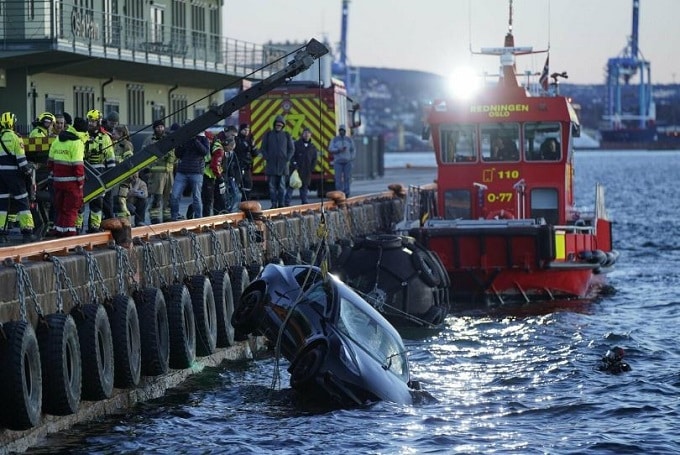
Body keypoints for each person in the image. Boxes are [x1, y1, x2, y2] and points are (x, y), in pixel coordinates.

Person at [47, 117, 88, 237]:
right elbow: (78, 165)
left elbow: (50, 161)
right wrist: (80, 182)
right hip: (72, 183)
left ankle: (59, 229)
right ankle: (69, 233)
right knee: (71, 208)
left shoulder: (58, 139)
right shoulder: (77, 142)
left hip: (58, 181)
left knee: (60, 206)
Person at [0, 112, 36, 242]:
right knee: (22, 201)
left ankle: (1, 233)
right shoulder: (16, 138)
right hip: (14, 175)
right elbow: (21, 160)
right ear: (13, 123)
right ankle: (27, 231)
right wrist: (28, 170)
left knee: (2, 204)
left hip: (0, 176)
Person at [78, 109, 115, 232]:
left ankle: (94, 226)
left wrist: (111, 174)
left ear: (99, 122)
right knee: (80, 201)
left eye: (93, 122)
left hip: (99, 171)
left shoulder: (105, 137)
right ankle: (78, 226)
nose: (91, 124)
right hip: (84, 170)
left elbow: (110, 157)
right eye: (89, 121)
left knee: (97, 202)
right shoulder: (82, 136)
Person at [170, 132, 209, 220]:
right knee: (174, 196)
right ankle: (174, 217)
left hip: (196, 172)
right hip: (183, 171)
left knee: (197, 197)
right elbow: (178, 154)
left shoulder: (203, 139)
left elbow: (204, 152)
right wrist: (180, 144)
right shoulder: (185, 139)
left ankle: (198, 219)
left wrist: (195, 140)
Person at [143, 120, 176, 223]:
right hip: (156, 174)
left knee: (169, 196)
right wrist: (146, 170)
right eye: (158, 127)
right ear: (154, 128)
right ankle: (154, 217)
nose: (160, 129)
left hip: (169, 173)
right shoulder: (149, 140)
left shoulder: (168, 139)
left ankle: (167, 217)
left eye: (161, 127)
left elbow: (175, 154)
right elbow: (144, 155)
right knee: (156, 196)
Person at [260, 115, 294, 208]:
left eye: (280, 125)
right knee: (272, 187)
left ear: (283, 126)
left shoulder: (286, 135)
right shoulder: (268, 134)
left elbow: (291, 149)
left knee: (282, 186)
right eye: (277, 124)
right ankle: (274, 203)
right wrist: (267, 158)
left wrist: (287, 158)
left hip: (283, 166)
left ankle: (281, 203)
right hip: (271, 165)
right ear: (274, 125)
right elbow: (263, 148)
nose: (278, 126)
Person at [285, 127, 318, 205]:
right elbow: (291, 156)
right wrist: (294, 164)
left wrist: (311, 169)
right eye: (305, 133)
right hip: (296, 169)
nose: (306, 135)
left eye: (308, 133)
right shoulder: (296, 144)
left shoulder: (312, 147)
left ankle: (304, 202)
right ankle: (286, 202)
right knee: (291, 186)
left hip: (306, 171)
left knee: (304, 187)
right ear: (302, 134)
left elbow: (314, 159)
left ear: (310, 135)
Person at [111, 124, 134, 218]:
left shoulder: (126, 145)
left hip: (124, 177)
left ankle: (125, 221)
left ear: (121, 134)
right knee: (116, 200)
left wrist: (115, 161)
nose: (112, 135)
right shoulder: (114, 144)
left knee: (121, 200)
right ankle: (119, 220)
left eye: (114, 133)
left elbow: (129, 161)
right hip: (116, 177)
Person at [202, 131, 226, 217]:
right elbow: (215, 165)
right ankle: (208, 220)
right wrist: (219, 177)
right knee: (210, 200)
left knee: (205, 200)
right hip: (210, 175)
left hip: (203, 173)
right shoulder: (219, 149)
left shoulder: (210, 143)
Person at [328, 124, 356, 197]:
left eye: (343, 130)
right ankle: (339, 192)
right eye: (340, 130)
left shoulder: (349, 140)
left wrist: (351, 158)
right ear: (339, 131)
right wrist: (338, 150)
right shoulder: (334, 139)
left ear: (345, 131)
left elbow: (353, 150)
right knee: (338, 178)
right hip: (338, 162)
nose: (341, 132)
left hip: (347, 162)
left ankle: (346, 192)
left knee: (347, 178)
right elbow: (330, 149)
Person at [234, 123, 258, 199]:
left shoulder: (249, 140)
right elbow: (239, 151)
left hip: (247, 167)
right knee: (237, 185)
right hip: (238, 166)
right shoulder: (237, 140)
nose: (246, 131)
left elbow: (255, 154)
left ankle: (246, 201)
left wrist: (253, 145)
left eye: (248, 130)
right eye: (245, 130)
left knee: (248, 185)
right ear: (240, 130)